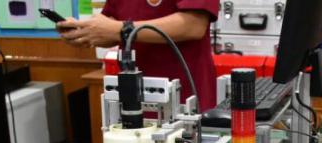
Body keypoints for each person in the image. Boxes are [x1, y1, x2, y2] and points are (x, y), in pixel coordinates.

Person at [57, 1, 219, 111]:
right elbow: (111, 25)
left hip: (184, 100)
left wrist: (120, 29)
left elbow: (194, 24)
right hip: (133, 97)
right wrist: (85, 32)